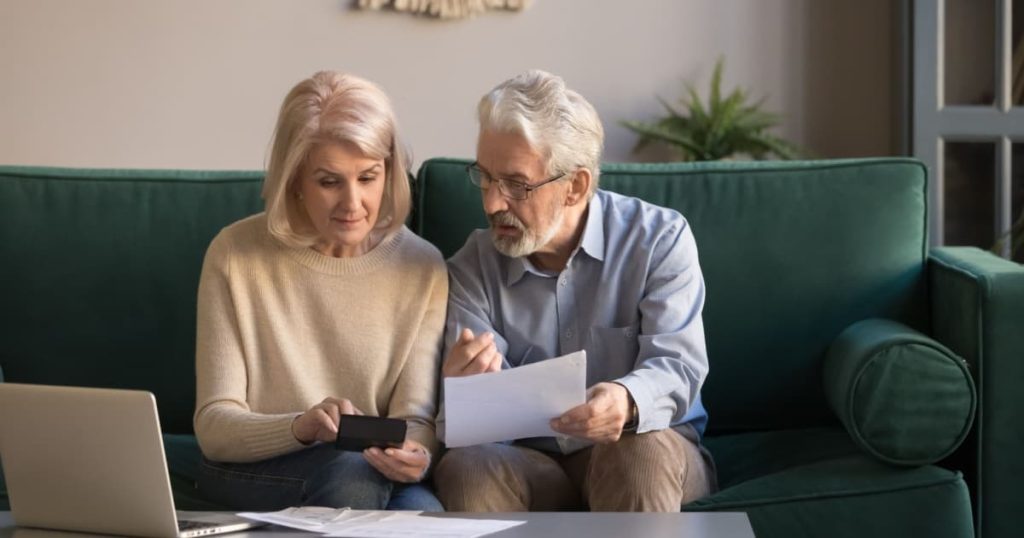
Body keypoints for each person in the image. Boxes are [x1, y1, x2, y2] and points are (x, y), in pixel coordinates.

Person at [433, 70, 716, 512]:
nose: (491, 202)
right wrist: (462, 393)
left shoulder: (659, 239)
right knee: (469, 466)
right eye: (485, 177)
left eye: (516, 184)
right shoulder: (472, 265)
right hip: (531, 462)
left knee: (637, 450)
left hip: (649, 449)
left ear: (576, 186)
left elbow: (678, 367)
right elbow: (465, 428)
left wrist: (626, 400)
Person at [193, 71, 447, 511]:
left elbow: (416, 419)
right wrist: (301, 426)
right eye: (329, 181)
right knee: (351, 475)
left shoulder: (423, 267)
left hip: (371, 470)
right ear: (294, 179)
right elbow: (215, 426)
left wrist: (417, 455)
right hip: (258, 466)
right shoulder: (234, 254)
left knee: (426, 515)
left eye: (368, 177)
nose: (353, 204)